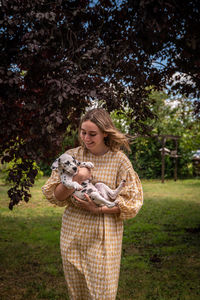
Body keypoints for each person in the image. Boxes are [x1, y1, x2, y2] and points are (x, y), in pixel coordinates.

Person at [42, 108, 143, 300]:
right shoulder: (71, 156)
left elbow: (133, 202)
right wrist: (77, 178)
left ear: (105, 133)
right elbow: (55, 196)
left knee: (101, 294)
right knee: (77, 293)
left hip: (103, 237)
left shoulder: (119, 161)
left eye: (92, 134)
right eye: (83, 132)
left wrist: (99, 209)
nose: (86, 138)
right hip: (72, 234)